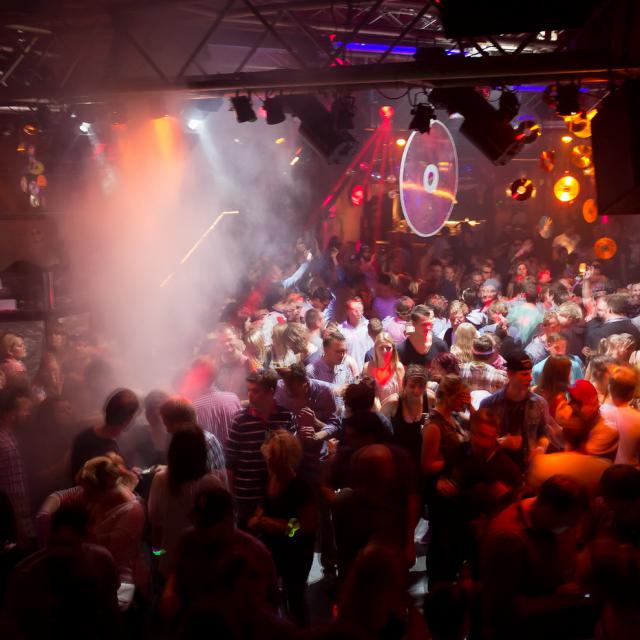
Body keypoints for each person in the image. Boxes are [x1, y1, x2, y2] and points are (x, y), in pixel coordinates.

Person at [481, 475, 594, 640]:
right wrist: (558, 600)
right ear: (549, 510)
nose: (572, 529)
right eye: (569, 524)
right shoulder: (508, 539)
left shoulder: (546, 517)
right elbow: (504, 607)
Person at [163, 485, 280, 634]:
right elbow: (178, 571)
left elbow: (272, 602)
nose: (200, 529)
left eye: (208, 525)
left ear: (229, 519)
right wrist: (170, 589)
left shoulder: (254, 553)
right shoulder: (188, 541)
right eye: (197, 522)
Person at [38, 455, 146, 610]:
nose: (85, 496)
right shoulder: (97, 495)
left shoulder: (133, 512)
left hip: (124, 582)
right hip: (95, 576)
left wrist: (68, 539)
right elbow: (60, 496)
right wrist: (44, 514)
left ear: (105, 489)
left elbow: (105, 550)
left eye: (89, 492)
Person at [5, 505, 121, 639]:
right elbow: (13, 626)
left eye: (67, 544)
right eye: (55, 543)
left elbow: (112, 613)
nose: (59, 552)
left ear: (85, 539)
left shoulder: (101, 561)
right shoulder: (26, 575)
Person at [248, 431, 316, 626]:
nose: (268, 460)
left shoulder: (300, 486)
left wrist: (281, 527)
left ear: (286, 459)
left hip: (297, 552)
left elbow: (307, 526)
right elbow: (263, 506)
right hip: (274, 548)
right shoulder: (269, 477)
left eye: (274, 456)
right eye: (269, 454)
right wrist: (257, 518)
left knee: (295, 598)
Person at [149, 425, 223, 579]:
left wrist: (157, 554)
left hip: (170, 562)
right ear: (201, 452)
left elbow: (155, 523)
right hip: (205, 564)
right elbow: (221, 526)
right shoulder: (211, 483)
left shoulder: (160, 479)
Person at [225, 369, 295, 526]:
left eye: (255, 391)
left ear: (271, 391)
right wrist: (232, 496)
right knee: (249, 536)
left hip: (277, 494)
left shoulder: (286, 417)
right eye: (249, 390)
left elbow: (291, 457)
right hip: (247, 495)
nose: (250, 395)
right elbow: (230, 462)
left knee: (284, 532)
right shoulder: (240, 420)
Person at [422, 374, 472, 584]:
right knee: (442, 546)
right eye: (461, 396)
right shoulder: (434, 426)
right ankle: (438, 589)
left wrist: (471, 407)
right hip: (442, 496)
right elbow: (426, 464)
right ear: (449, 396)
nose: (464, 401)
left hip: (456, 493)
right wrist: (453, 461)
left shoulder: (454, 418)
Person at [480, 350, 557, 469]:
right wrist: (500, 443)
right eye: (524, 374)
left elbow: (544, 433)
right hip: (498, 468)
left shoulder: (540, 403)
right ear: (510, 374)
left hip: (529, 467)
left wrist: (540, 448)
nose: (530, 378)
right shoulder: (490, 404)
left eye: (530, 373)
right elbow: (479, 440)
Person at [69, 387, 140, 482]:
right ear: (126, 420)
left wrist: (129, 471)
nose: (135, 419)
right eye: (134, 415)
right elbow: (80, 481)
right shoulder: (85, 442)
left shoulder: (124, 439)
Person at [0, 386, 34, 544]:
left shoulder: (11, 436)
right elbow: (8, 488)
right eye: (25, 410)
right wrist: (18, 521)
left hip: (20, 516)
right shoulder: (3, 442)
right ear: (11, 414)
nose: (29, 414)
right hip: (13, 519)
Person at [381, 365, 430, 470]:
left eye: (421, 386)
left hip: (420, 459)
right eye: (412, 386)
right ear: (404, 384)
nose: (417, 391)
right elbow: (377, 428)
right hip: (398, 461)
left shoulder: (430, 399)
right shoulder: (393, 402)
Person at [562, 379, 619, 461]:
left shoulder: (607, 432)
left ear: (594, 405)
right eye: (570, 398)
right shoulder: (583, 423)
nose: (570, 405)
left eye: (577, 402)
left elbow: (574, 461)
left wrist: (569, 431)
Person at [305, 330, 357, 415]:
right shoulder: (311, 372)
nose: (342, 355)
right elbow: (307, 401)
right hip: (322, 420)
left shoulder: (344, 367)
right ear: (325, 350)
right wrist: (333, 391)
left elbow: (350, 389)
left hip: (342, 418)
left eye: (344, 351)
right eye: (338, 352)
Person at [600, 364, 640, 465]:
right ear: (631, 393)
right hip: (628, 470)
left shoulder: (599, 412)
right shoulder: (638, 419)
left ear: (610, 388)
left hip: (601, 468)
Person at [397, 304, 449, 370]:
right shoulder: (401, 350)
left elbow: (448, 372)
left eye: (430, 324)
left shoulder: (440, 345)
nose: (428, 328)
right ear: (413, 324)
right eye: (424, 324)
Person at [363, 332, 404, 407]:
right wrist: (380, 412)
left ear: (393, 349)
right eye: (381, 348)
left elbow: (402, 394)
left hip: (394, 409)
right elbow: (368, 395)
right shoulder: (368, 367)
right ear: (375, 349)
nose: (385, 351)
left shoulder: (398, 367)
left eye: (388, 348)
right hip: (375, 411)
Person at [215, 324, 254, 400]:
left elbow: (256, 393)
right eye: (222, 342)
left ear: (236, 337)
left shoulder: (247, 363)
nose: (226, 344)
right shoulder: (215, 364)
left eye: (229, 339)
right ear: (217, 343)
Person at [532, 355, 572, 419]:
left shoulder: (534, 390)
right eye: (569, 371)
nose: (570, 375)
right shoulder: (560, 400)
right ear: (563, 375)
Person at [339, 297, 373, 371]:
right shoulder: (340, 329)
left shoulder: (369, 326)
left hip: (367, 371)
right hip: (348, 372)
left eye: (360, 309)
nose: (358, 313)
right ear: (348, 311)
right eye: (355, 310)